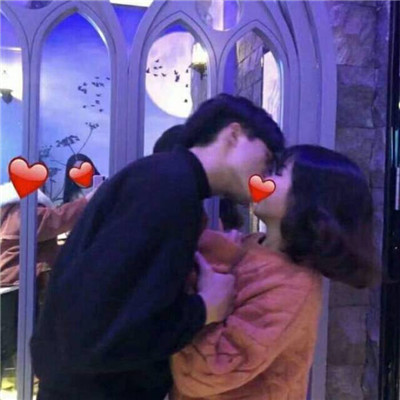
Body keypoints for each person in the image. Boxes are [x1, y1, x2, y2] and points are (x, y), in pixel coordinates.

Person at [30, 93, 285, 400]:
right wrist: (204, 308)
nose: (266, 176)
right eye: (267, 159)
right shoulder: (169, 188)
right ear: (234, 134)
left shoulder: (163, 178)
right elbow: (104, 325)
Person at [171, 145, 379, 400]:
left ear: (308, 200)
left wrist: (204, 311)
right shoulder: (253, 244)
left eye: (277, 173)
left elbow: (205, 373)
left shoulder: (293, 285)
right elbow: (216, 253)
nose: (262, 178)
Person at [0, 181, 97, 385]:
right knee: (15, 340)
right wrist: (88, 200)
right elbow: (55, 220)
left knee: (16, 339)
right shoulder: (22, 211)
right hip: (16, 283)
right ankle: (24, 381)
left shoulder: (8, 210)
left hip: (12, 281)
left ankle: (22, 380)